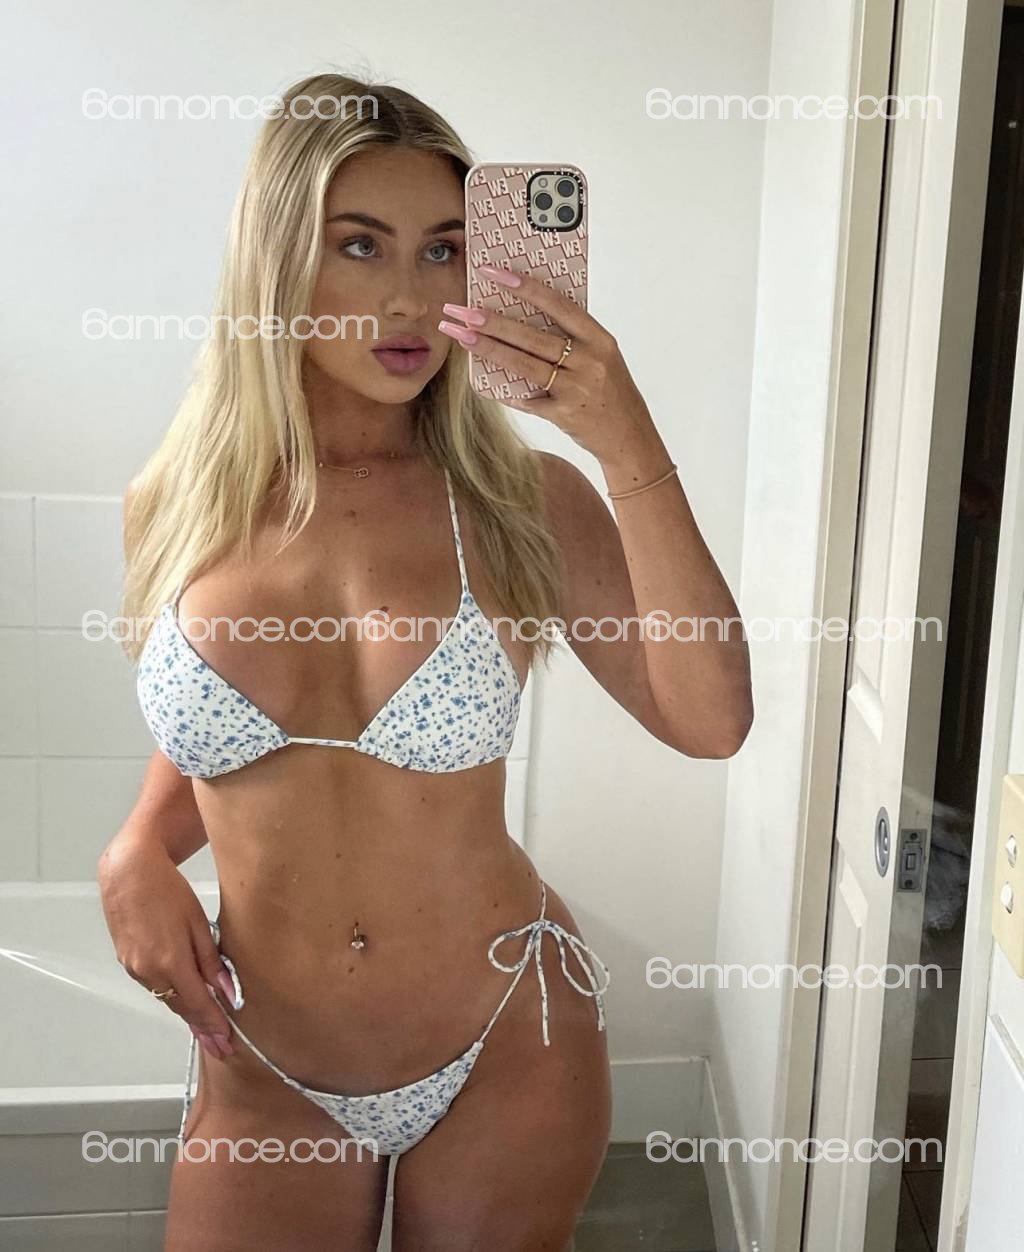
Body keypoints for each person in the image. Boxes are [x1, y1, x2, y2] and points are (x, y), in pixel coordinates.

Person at [98, 71, 753, 1252]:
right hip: (268, 1063)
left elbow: (710, 720)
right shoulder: (176, 505)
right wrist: (134, 848)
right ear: (276, 261)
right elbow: (213, 746)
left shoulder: (517, 502)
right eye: (360, 245)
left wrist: (624, 438)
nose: (411, 296)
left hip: (507, 1032)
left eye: (446, 250)